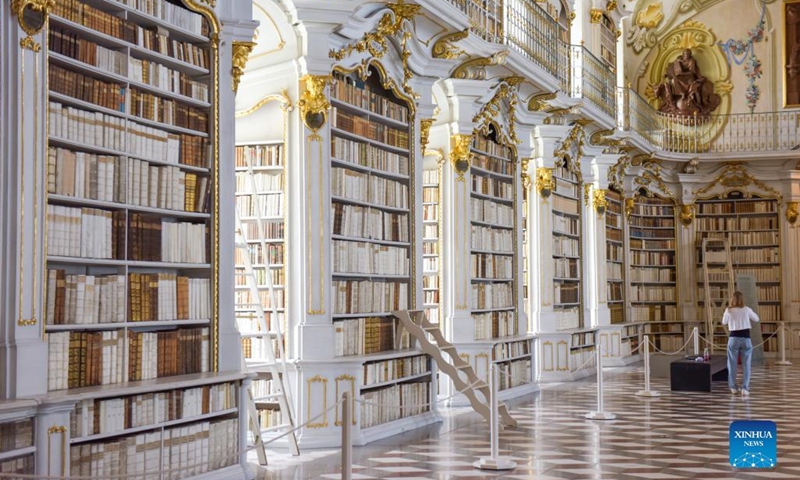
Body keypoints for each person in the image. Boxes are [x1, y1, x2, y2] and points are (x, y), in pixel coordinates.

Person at [722, 291, 760, 395]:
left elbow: (724, 322)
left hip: (733, 338)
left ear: (732, 300)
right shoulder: (746, 309)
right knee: (746, 364)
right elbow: (756, 319)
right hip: (746, 338)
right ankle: (745, 388)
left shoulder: (728, 310)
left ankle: (733, 387)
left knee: (732, 364)